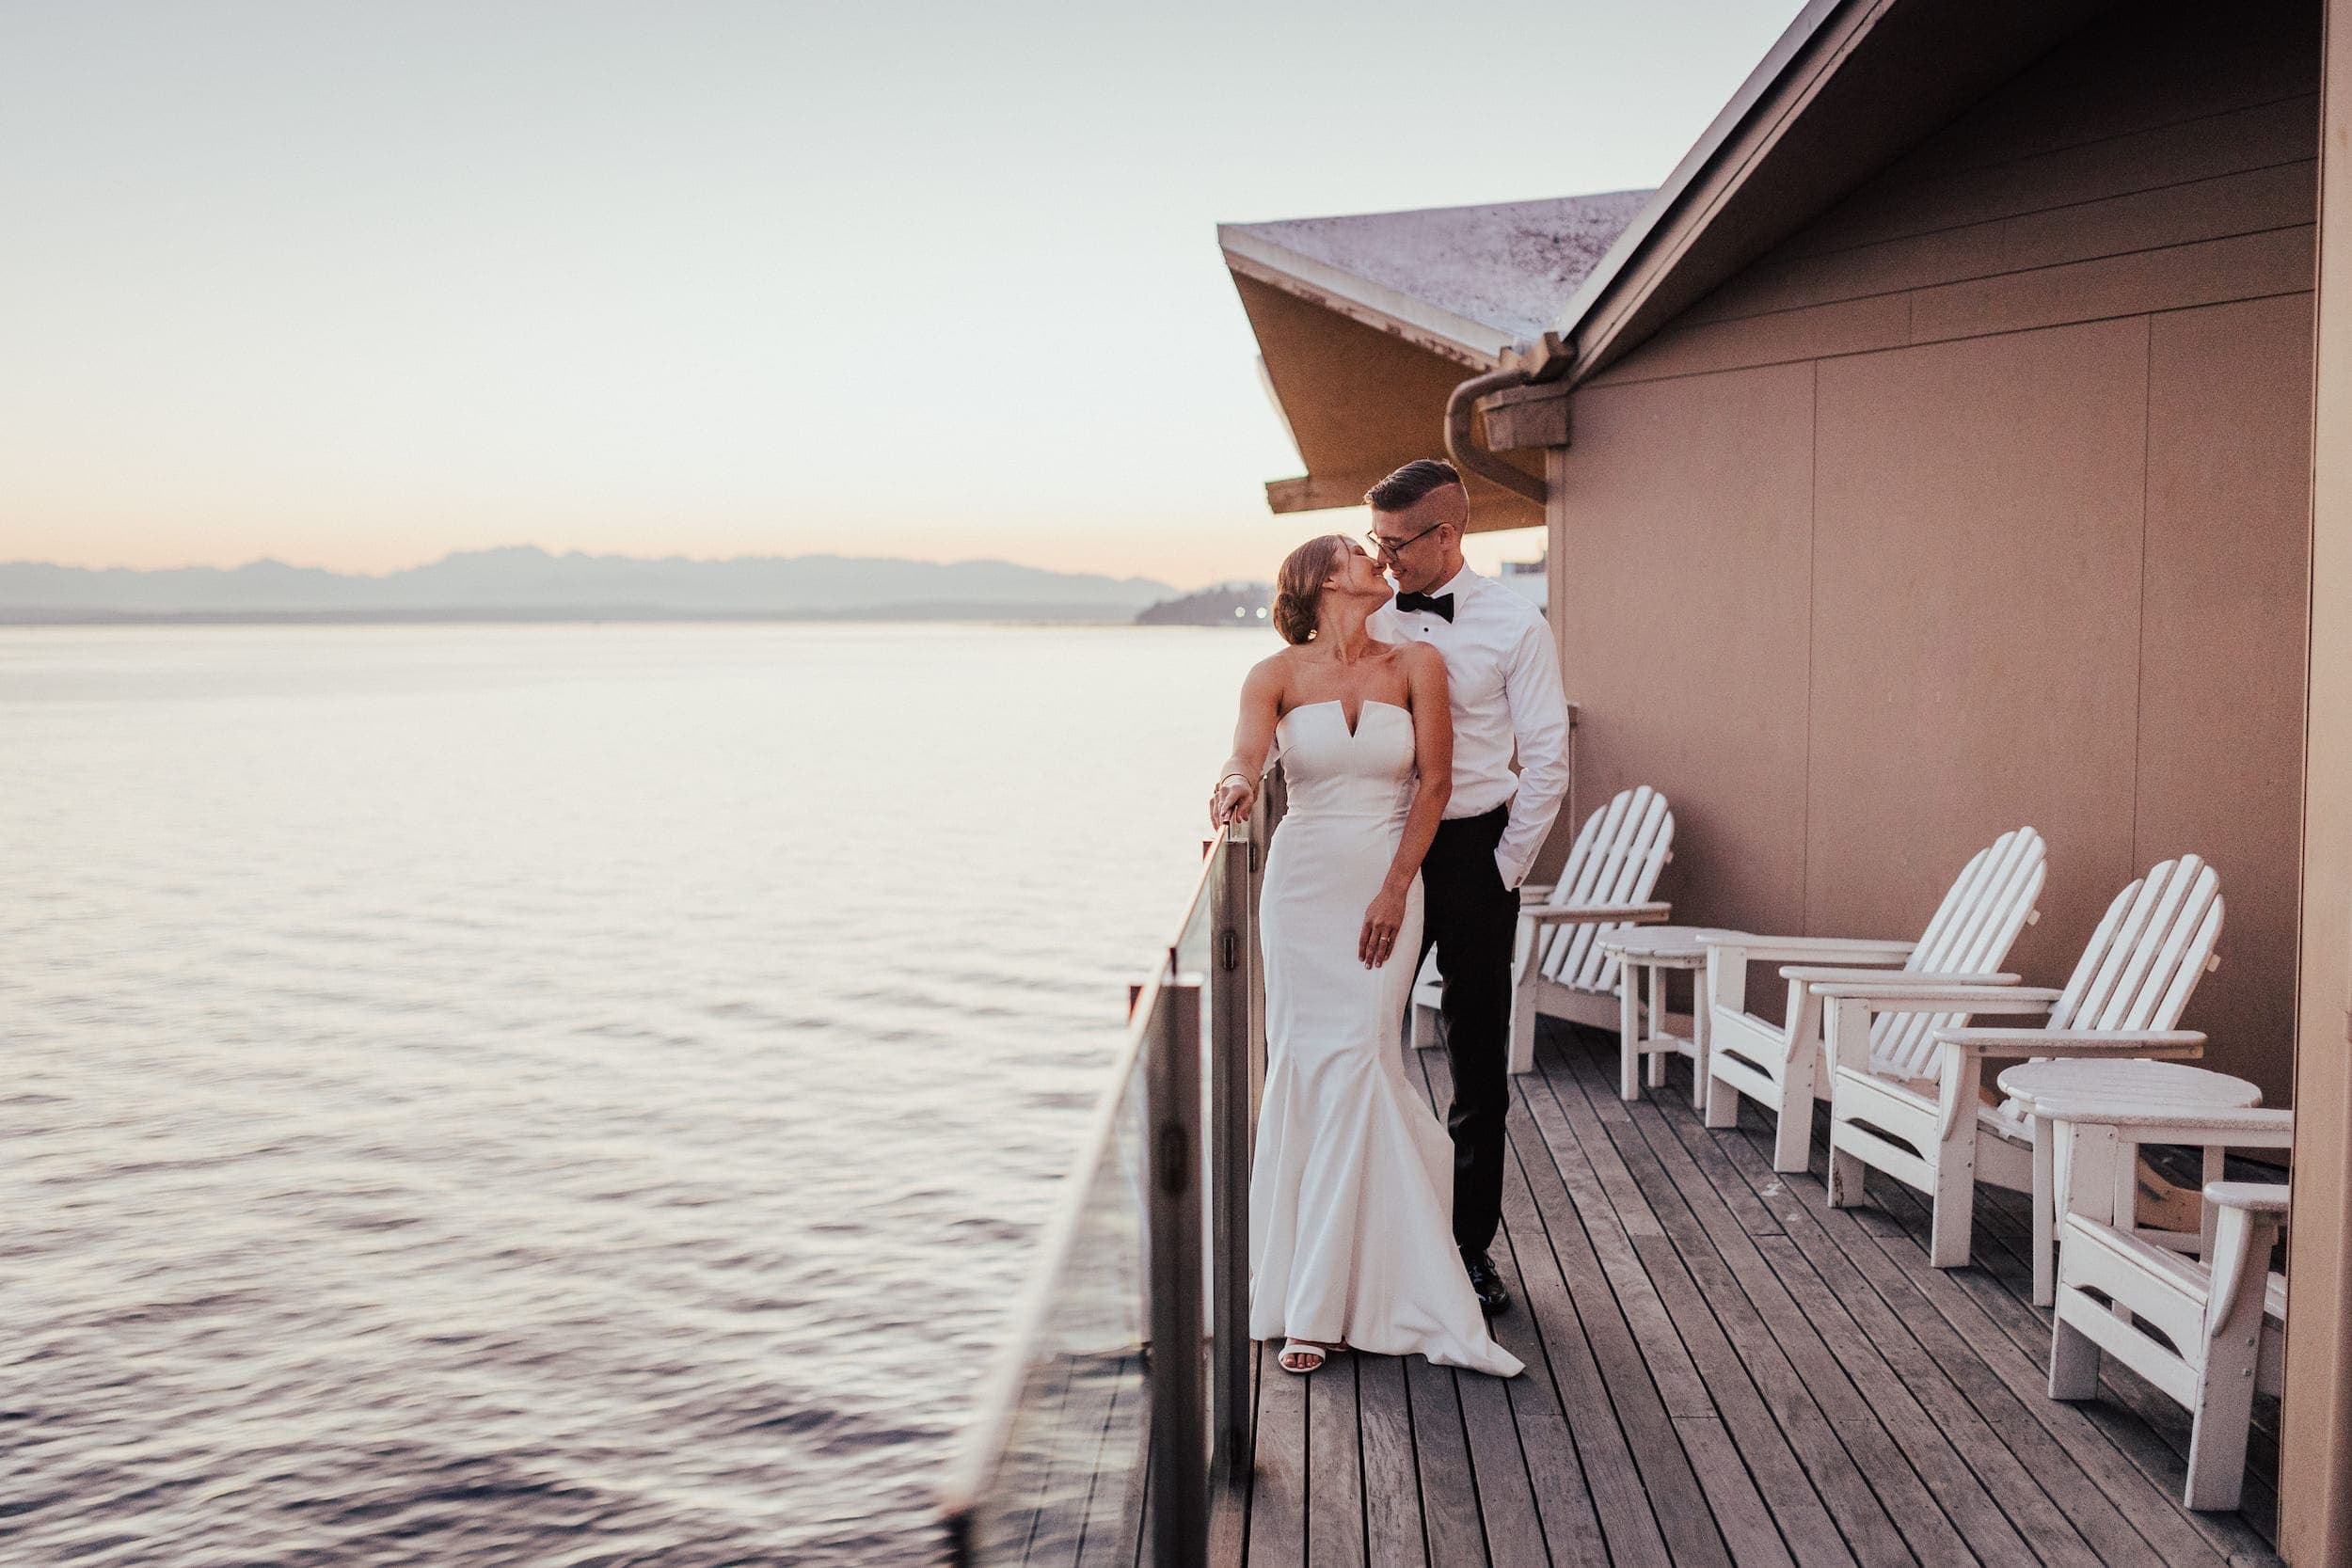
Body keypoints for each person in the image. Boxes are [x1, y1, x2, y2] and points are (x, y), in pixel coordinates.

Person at [1209, 533, 1521, 1379]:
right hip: (1302, 885)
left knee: (1362, 1057)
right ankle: (1311, 1294)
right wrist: (1234, 784)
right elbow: (1247, 754)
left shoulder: (1417, 663)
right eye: (1355, 549)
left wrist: (1395, 887)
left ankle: (1340, 1293)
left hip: (1387, 878)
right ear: (1319, 580)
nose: (1375, 556)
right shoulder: (1272, 674)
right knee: (1310, 1064)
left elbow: (1437, 785)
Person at [1363, 459, 1569, 1318]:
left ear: (1447, 535)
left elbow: (1548, 758)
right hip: (1379, 856)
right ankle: (1373, 1238)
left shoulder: (1515, 624)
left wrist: (1500, 867)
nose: (1384, 562)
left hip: (1477, 849)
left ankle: (1467, 1249)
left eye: (1397, 543)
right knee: (1365, 1036)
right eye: (1375, 543)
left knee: (1478, 1060)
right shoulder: (1370, 615)